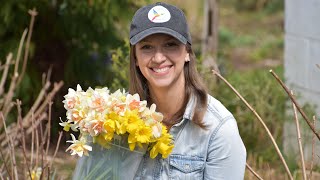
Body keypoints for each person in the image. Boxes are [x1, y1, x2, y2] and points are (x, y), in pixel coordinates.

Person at [129, 2, 247, 180]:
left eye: (170, 45)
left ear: (187, 53)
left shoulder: (219, 129)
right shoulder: (119, 120)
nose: (159, 57)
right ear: (136, 58)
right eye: (147, 47)